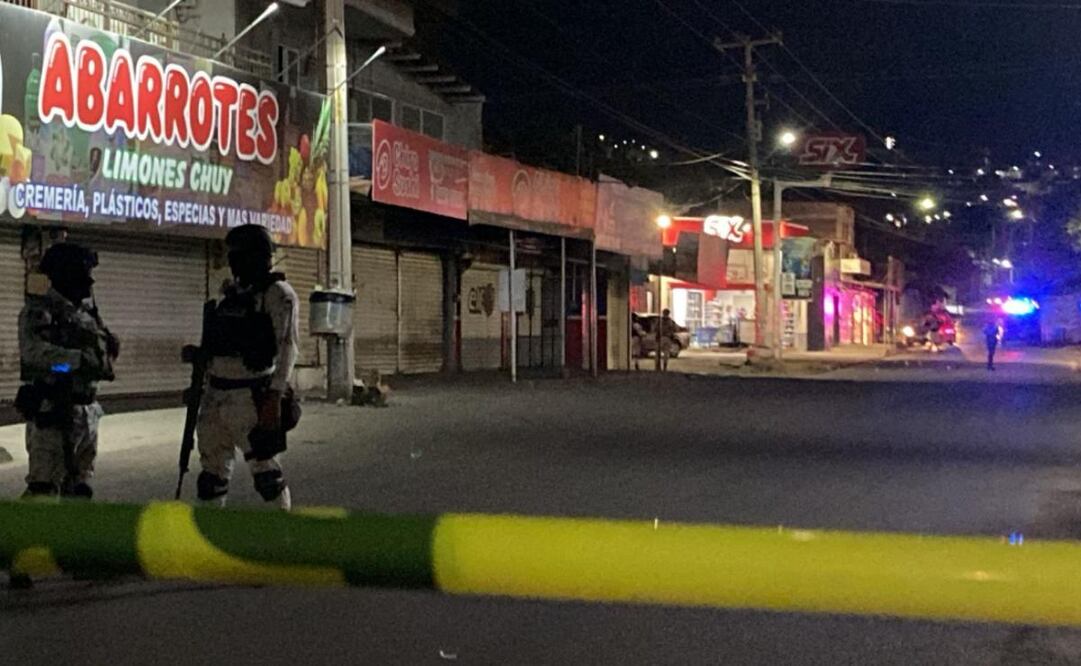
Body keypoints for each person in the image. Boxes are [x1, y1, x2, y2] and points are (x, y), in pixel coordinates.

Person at [196, 224, 299, 510]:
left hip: (253, 397)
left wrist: (274, 397)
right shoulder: (230, 295)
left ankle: (280, 539)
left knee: (267, 476)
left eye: (239, 255)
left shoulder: (278, 293)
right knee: (211, 478)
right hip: (216, 395)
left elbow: (288, 347)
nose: (233, 262)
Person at [17, 242, 118, 498]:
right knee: (44, 492)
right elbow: (33, 355)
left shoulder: (84, 313)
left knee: (78, 490)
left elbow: (101, 354)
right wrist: (74, 362)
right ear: (65, 276)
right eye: (82, 275)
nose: (89, 282)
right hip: (55, 412)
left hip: (86, 413)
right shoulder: (40, 312)